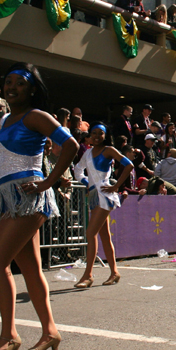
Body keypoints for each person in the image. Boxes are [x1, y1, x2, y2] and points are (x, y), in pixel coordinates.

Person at [0, 63, 78, 350]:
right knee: (31, 268)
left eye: (19, 83)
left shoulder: (36, 116)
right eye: (7, 82)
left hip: (29, 197)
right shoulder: (7, 119)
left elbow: (71, 144)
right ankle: (50, 332)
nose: (11, 87)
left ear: (32, 89)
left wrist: (49, 180)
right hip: (10, 196)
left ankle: (9, 335)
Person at [72, 123, 132, 288]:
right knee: (104, 236)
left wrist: (116, 186)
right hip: (94, 195)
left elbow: (129, 165)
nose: (97, 136)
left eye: (100, 133)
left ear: (106, 135)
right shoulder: (88, 153)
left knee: (90, 233)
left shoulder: (109, 150)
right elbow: (78, 170)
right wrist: (88, 184)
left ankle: (88, 275)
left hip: (105, 195)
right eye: (94, 133)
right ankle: (114, 273)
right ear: (89, 136)